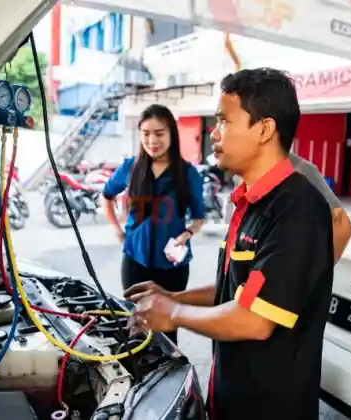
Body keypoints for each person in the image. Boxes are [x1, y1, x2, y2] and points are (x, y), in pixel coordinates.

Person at [125, 68, 335, 420]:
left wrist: (174, 314)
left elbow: (255, 319)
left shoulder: (297, 208)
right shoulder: (250, 202)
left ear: (264, 129)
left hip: (269, 408)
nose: (215, 133)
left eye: (224, 122)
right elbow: (238, 289)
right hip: (230, 395)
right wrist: (173, 296)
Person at [101, 104, 206, 345]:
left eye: (159, 133)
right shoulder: (130, 167)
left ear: (171, 133)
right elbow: (106, 196)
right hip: (135, 261)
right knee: (136, 324)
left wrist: (186, 234)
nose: (152, 140)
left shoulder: (188, 174)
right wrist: (117, 231)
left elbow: (199, 218)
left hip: (173, 266)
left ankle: (169, 375)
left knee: (168, 328)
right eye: (146, 134)